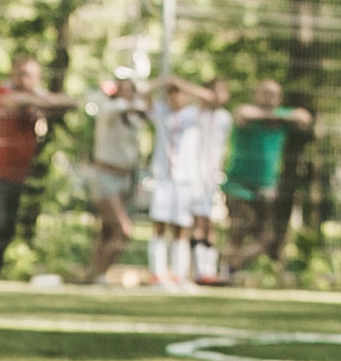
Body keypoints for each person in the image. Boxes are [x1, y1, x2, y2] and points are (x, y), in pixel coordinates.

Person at [0, 55, 73, 278]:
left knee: (7, 225)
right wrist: (43, 99)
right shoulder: (3, 93)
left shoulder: (33, 98)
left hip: (16, 174)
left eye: (28, 74)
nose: (21, 78)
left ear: (37, 78)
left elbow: (69, 102)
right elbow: (16, 102)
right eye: (19, 72)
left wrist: (42, 99)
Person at [222, 80, 313, 276]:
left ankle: (229, 267)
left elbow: (304, 117)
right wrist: (277, 116)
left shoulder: (282, 120)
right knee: (237, 231)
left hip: (265, 188)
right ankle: (225, 271)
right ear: (256, 94)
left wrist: (280, 116)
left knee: (266, 238)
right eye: (266, 93)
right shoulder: (248, 114)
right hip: (238, 185)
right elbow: (242, 113)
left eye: (275, 94)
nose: (270, 97)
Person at [146, 77, 216, 289]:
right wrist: (162, 82)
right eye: (171, 93)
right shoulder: (160, 112)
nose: (175, 97)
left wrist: (181, 83)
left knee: (181, 228)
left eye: (178, 93)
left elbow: (209, 97)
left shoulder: (192, 115)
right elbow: (142, 94)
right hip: (163, 178)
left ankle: (178, 274)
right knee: (159, 226)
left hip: (185, 179)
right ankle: (158, 274)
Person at [83, 76, 147, 282]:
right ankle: (99, 275)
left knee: (108, 231)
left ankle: (95, 275)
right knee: (123, 229)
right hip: (104, 176)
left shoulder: (134, 119)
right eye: (124, 90)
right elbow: (125, 105)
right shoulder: (108, 110)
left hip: (125, 179)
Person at [191, 78, 233, 284]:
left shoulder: (225, 118)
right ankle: (199, 271)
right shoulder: (196, 115)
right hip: (195, 177)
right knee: (197, 222)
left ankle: (209, 269)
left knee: (211, 223)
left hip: (213, 178)